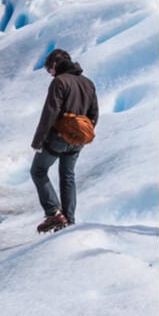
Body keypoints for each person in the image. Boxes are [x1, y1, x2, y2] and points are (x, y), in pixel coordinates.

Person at [31, 48, 99, 232]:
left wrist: (38, 140)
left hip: (58, 137)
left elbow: (50, 112)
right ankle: (69, 219)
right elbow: (94, 114)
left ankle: (54, 212)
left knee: (38, 170)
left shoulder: (59, 82)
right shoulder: (88, 83)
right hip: (78, 140)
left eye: (49, 70)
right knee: (67, 176)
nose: (50, 74)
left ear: (55, 64)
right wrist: (82, 133)